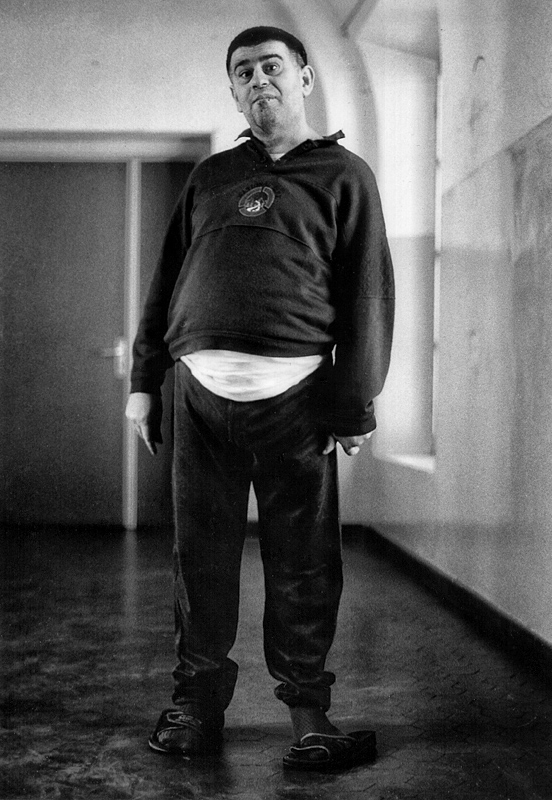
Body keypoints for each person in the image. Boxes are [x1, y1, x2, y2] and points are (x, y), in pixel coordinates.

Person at [125, 26, 394, 771]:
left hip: (297, 400)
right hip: (197, 397)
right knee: (199, 559)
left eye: (271, 67)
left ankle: (310, 717)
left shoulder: (345, 176)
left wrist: (354, 403)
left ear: (303, 78)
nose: (257, 81)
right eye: (242, 72)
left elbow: (368, 296)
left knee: (303, 562)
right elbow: (166, 280)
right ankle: (195, 706)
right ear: (233, 90)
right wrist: (144, 381)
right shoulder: (212, 176)